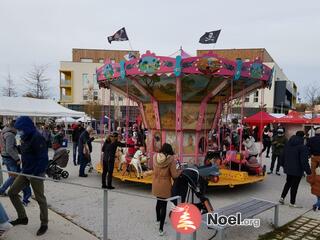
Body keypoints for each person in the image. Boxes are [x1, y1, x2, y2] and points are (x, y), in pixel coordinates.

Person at [8, 116, 49, 236]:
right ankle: (22, 217)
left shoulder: (37, 137)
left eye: (20, 129)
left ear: (26, 127)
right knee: (12, 192)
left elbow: (43, 159)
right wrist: (17, 149)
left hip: (36, 174)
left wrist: (35, 173)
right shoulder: (24, 137)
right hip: (25, 172)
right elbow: (26, 152)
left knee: (40, 198)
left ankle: (44, 223)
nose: (18, 131)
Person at [152, 143, 181, 236]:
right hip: (165, 184)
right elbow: (174, 175)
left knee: (158, 202)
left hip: (156, 182)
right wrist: (180, 171)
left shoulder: (155, 157)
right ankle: (161, 229)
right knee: (163, 205)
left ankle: (158, 220)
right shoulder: (171, 159)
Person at [0, 121, 32, 206]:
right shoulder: (10, 134)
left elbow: (5, 146)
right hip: (10, 158)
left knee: (13, 176)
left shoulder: (4, 132)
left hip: (5, 157)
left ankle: (12, 191)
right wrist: (17, 158)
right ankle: (2, 190)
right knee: (15, 176)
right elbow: (9, 149)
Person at [279, 131, 311, 208]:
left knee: (288, 183)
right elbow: (304, 161)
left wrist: (283, 165)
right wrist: (308, 171)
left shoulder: (288, 144)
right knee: (294, 186)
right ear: (303, 137)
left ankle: (282, 198)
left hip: (288, 168)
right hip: (297, 170)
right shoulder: (302, 147)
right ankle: (292, 203)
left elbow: (282, 155)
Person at [306, 128, 320, 211]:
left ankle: (318, 201)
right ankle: (318, 203)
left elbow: (306, 148)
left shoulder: (311, 139)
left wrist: (310, 154)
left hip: (314, 159)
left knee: (315, 178)